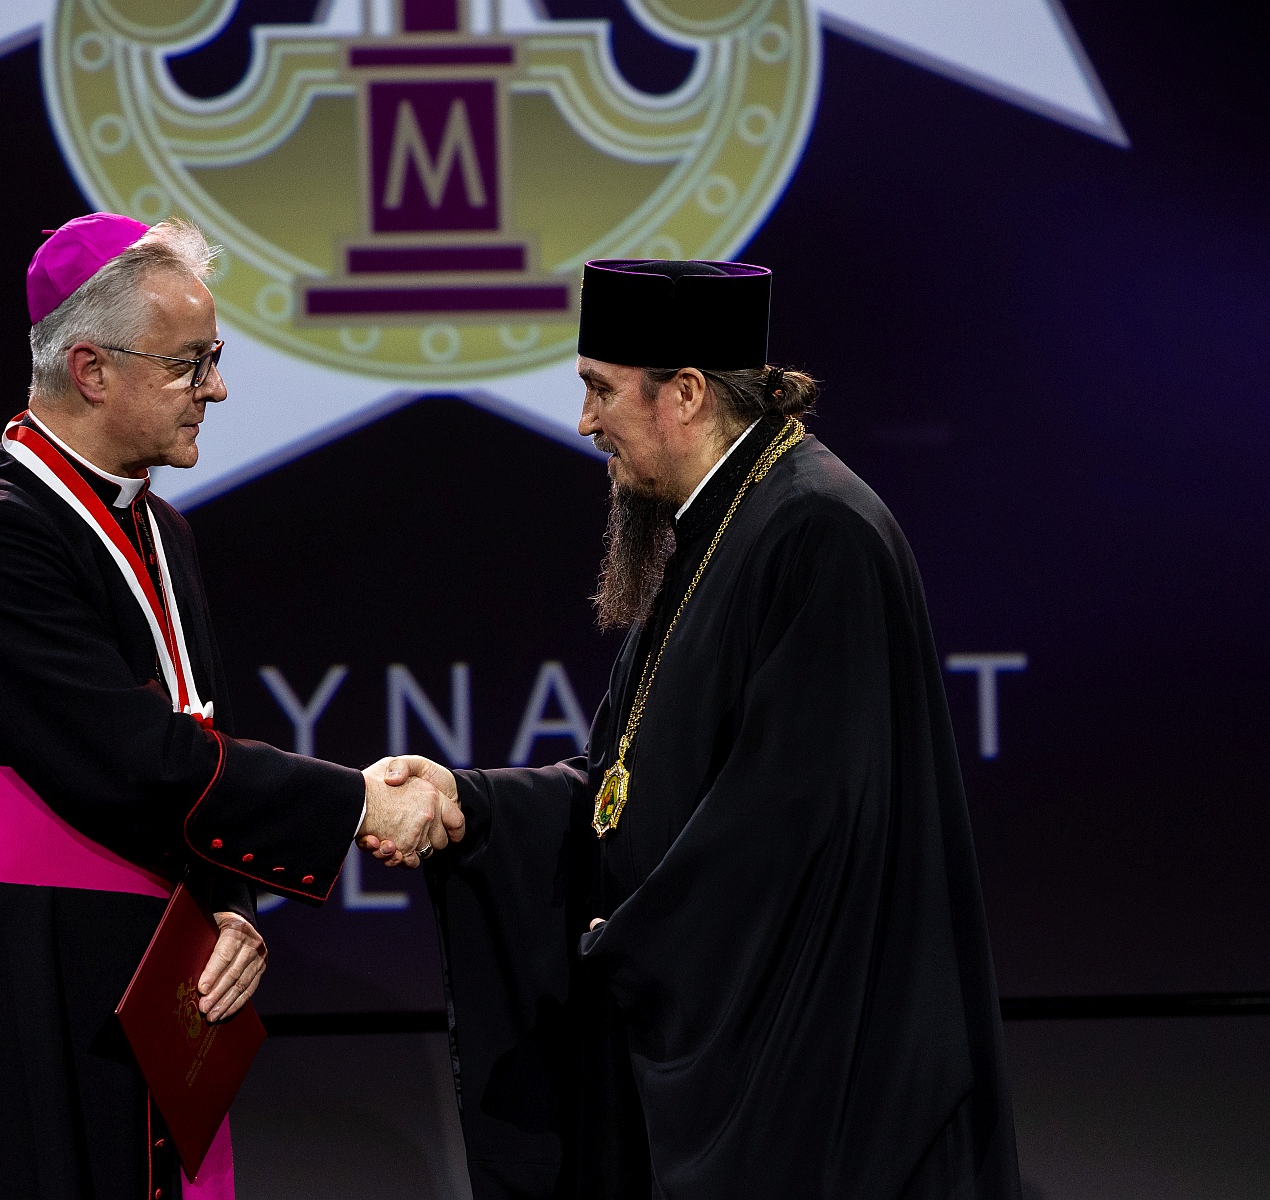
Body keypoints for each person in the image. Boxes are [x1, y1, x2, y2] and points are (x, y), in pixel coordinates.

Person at [372, 260, 1022, 1197]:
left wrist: (643, 937)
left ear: (684, 393)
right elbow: (631, 780)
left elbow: (796, 824)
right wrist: (470, 803)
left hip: (815, 1076)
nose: (584, 421)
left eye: (600, 390)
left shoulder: (815, 531)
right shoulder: (721, 522)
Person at [0, 213, 457, 1200]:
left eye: (213, 359)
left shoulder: (162, 529)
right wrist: (356, 803)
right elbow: (131, 756)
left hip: (139, 974)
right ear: (91, 369)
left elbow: (197, 737)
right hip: (13, 975)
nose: (216, 389)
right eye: (190, 364)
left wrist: (229, 910)